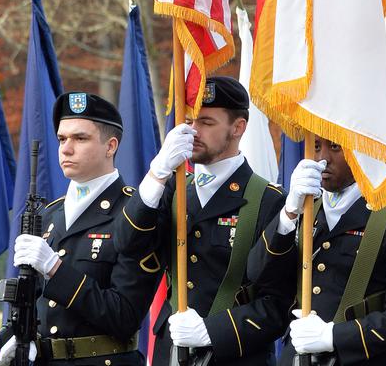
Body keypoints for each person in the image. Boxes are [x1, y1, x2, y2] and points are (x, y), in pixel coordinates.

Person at [115, 76, 295, 364]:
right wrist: (157, 172)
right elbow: (128, 244)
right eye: (189, 121)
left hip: (235, 355)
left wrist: (211, 331)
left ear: (238, 128)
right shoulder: (172, 187)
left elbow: (278, 302)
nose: (193, 131)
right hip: (169, 351)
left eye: (207, 122)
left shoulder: (269, 200)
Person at [0, 92, 161, 366]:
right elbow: (34, 302)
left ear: (110, 146)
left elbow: (124, 316)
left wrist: (56, 269)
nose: (66, 149)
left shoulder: (134, 214)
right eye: (62, 139)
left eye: (80, 138)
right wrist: (19, 337)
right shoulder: (49, 214)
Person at [262, 136, 386, 365]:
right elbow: (260, 277)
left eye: (335, 146)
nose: (322, 159)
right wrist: (289, 213)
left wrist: (333, 337)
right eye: (315, 147)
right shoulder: (304, 209)